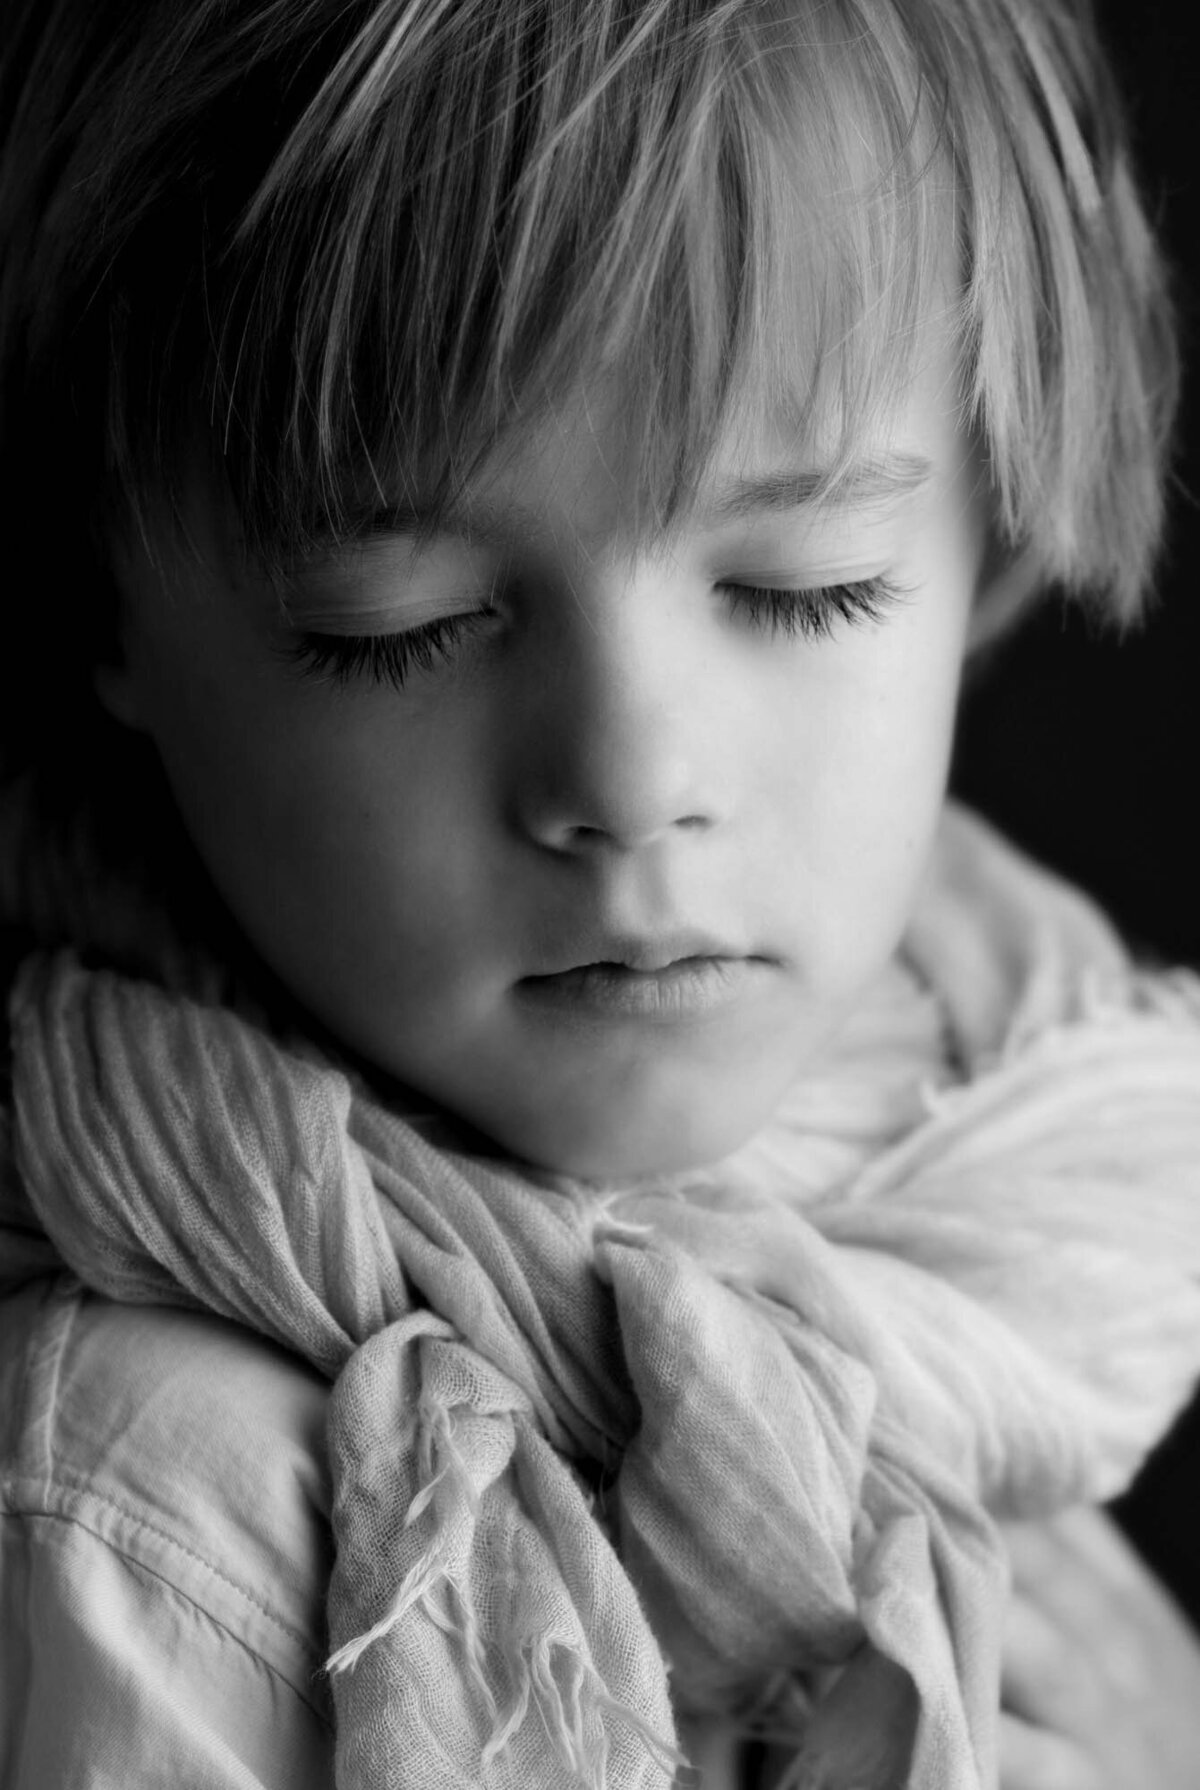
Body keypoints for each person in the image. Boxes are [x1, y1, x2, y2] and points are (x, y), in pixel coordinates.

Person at [1, 1, 1199, 1785]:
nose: (633, 785)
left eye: (807, 589)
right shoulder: (172, 1501)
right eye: (395, 620)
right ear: (109, 607)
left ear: (996, 537)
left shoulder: (1039, 1177)